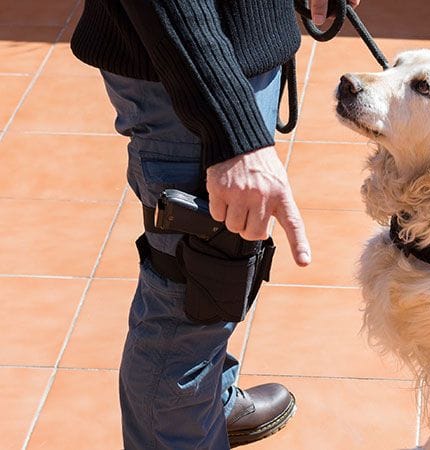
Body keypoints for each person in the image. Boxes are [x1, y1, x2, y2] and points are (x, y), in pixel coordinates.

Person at [70, 0, 359, 448]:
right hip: (186, 69)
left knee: (218, 279)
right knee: (190, 297)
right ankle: (178, 429)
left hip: (224, 54)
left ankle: (207, 402)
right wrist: (230, 132)